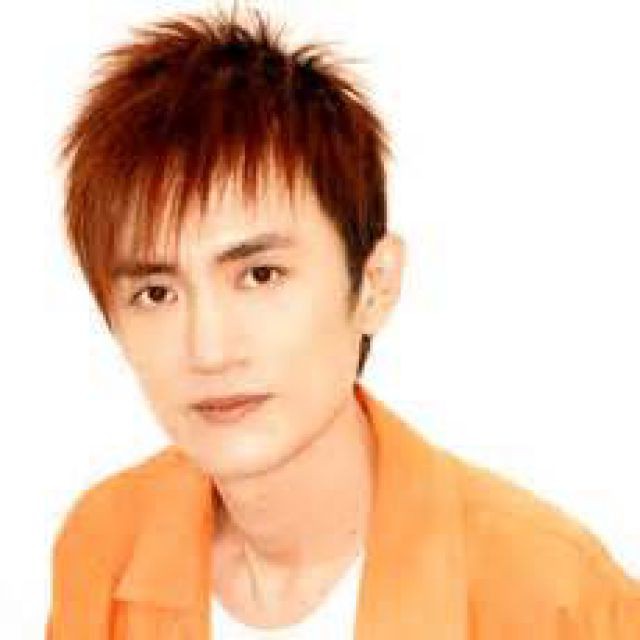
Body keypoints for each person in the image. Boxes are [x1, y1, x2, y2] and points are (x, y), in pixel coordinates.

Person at [46, 6, 639, 639]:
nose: (209, 349)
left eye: (261, 275)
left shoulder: (551, 594)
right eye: (157, 292)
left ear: (375, 284)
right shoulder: (104, 542)